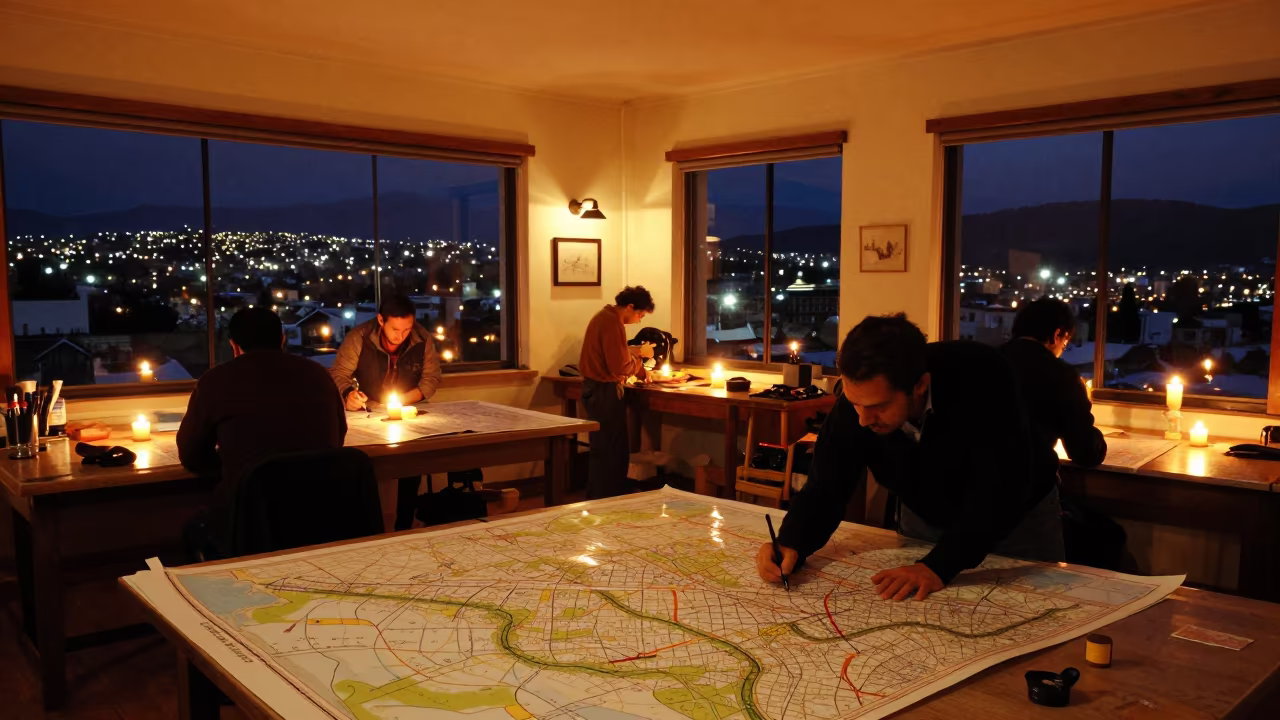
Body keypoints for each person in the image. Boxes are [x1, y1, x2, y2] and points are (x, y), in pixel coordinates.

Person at [756, 314, 1063, 601]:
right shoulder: (858, 403)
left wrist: (939, 565)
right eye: (855, 403)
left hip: (1016, 518)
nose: (863, 419)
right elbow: (826, 486)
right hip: (926, 516)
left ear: (920, 386)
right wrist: (792, 542)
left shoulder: (982, 375)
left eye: (878, 407)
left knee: (1035, 609)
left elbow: (1002, 488)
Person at [178, 307, 347, 553]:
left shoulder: (216, 381)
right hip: (322, 515)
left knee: (191, 529)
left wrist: (233, 463)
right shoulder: (318, 374)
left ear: (234, 346)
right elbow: (338, 438)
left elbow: (191, 454)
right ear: (282, 339)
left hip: (251, 523)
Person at [330, 293, 442, 529]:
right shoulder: (359, 337)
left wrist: (403, 400)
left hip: (408, 412)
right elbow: (339, 373)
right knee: (365, 464)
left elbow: (431, 380)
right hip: (367, 412)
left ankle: (405, 524)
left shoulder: (421, 338)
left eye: (407, 329)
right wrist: (348, 394)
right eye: (395, 330)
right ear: (381, 320)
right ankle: (369, 527)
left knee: (412, 461)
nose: (401, 336)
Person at [1002, 298, 1106, 468]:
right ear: (1057, 335)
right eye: (1064, 344)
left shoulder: (985, 361)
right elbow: (1085, 453)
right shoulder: (1061, 374)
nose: (1061, 352)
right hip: (1028, 476)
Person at [578, 286, 654, 499]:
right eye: (640, 315)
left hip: (596, 388)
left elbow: (613, 355)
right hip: (604, 391)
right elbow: (619, 367)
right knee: (610, 451)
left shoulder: (604, 317)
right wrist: (640, 363)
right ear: (630, 306)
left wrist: (634, 355)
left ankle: (601, 496)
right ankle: (607, 499)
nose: (639, 320)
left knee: (605, 449)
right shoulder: (612, 322)